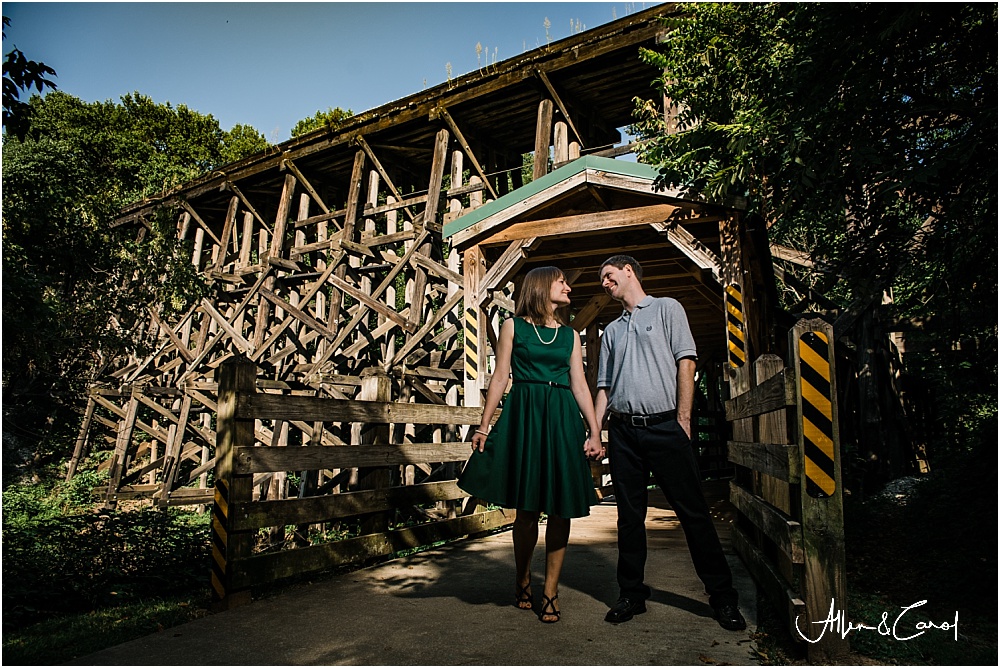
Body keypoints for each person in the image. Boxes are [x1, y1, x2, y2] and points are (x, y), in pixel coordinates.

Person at [594, 254, 746, 631]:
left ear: (629, 270)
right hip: (624, 432)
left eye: (608, 275)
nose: (604, 283)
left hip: (665, 427)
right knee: (629, 518)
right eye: (601, 280)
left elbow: (687, 362)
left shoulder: (666, 309)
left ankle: (723, 598)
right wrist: (595, 432)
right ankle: (631, 593)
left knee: (693, 513)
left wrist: (683, 419)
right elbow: (604, 387)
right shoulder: (611, 331)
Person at [458, 266, 604, 624]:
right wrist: (484, 425)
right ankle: (522, 576)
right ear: (541, 288)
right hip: (525, 414)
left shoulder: (570, 335)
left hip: (560, 418)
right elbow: (500, 377)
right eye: (562, 282)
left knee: (561, 509)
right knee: (526, 511)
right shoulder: (513, 326)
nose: (568, 287)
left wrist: (595, 431)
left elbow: (580, 386)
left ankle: (550, 591)